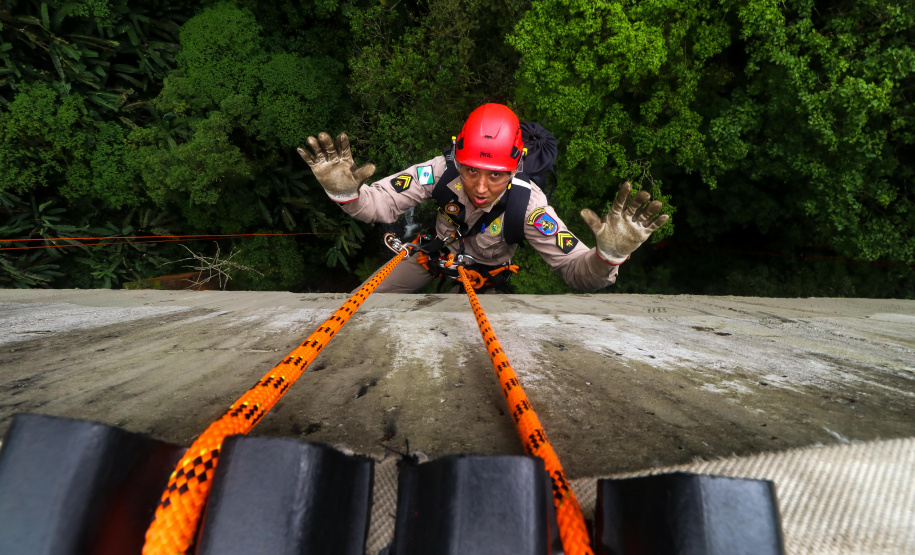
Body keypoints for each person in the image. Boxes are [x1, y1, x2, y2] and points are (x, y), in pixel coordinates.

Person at [297, 103, 668, 293]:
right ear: (458, 155)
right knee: (360, 304)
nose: (479, 186)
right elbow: (379, 205)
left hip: (484, 277)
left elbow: (575, 272)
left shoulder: (529, 206)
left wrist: (608, 257)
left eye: (496, 175)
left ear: (516, 168)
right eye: (471, 169)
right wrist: (345, 194)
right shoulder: (440, 170)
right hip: (434, 255)